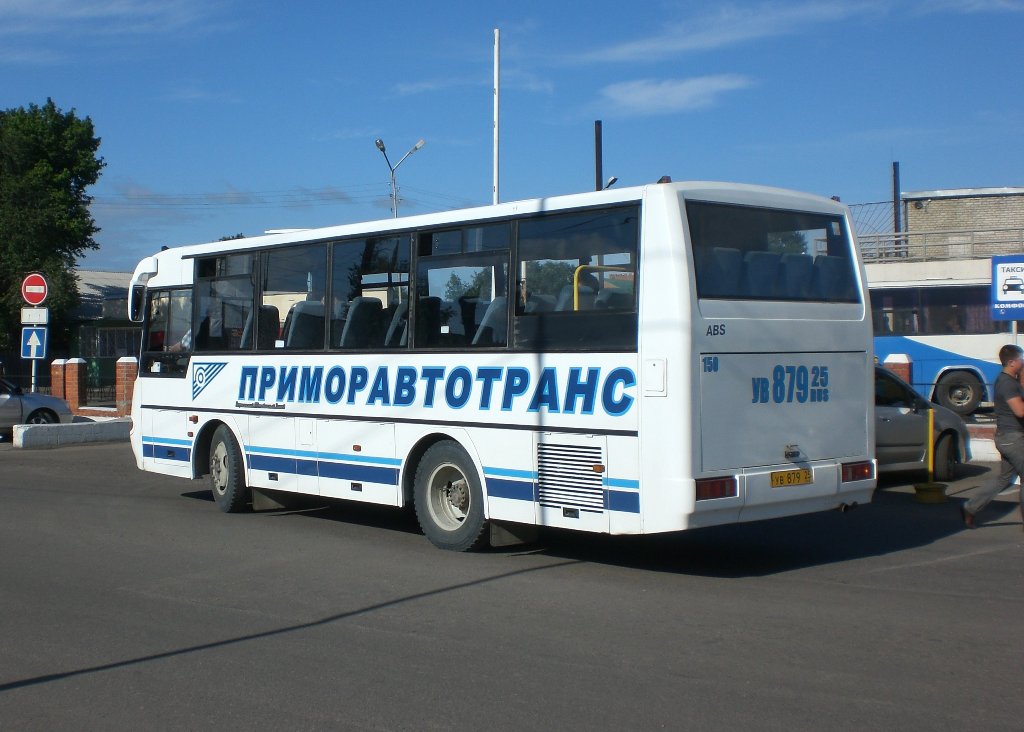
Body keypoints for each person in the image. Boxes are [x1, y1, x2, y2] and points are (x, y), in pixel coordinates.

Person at [961, 343, 1024, 529]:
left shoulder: (1010, 380)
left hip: (1007, 436)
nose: (1023, 361)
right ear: (1012, 362)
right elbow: (1020, 411)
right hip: (1013, 438)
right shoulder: (1007, 383)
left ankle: (970, 508)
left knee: (1004, 478)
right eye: (1021, 358)